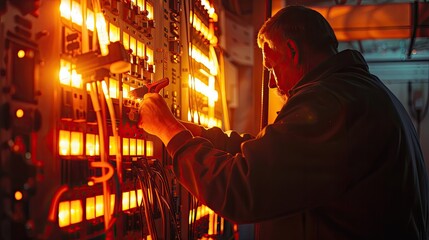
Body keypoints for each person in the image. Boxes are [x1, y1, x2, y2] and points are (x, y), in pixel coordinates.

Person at [139, 5, 429, 239]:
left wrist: (169, 132)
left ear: (292, 50)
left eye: (271, 66)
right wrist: (195, 132)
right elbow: (274, 155)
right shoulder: (358, 92)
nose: (271, 83)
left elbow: (242, 190)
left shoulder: (329, 101)